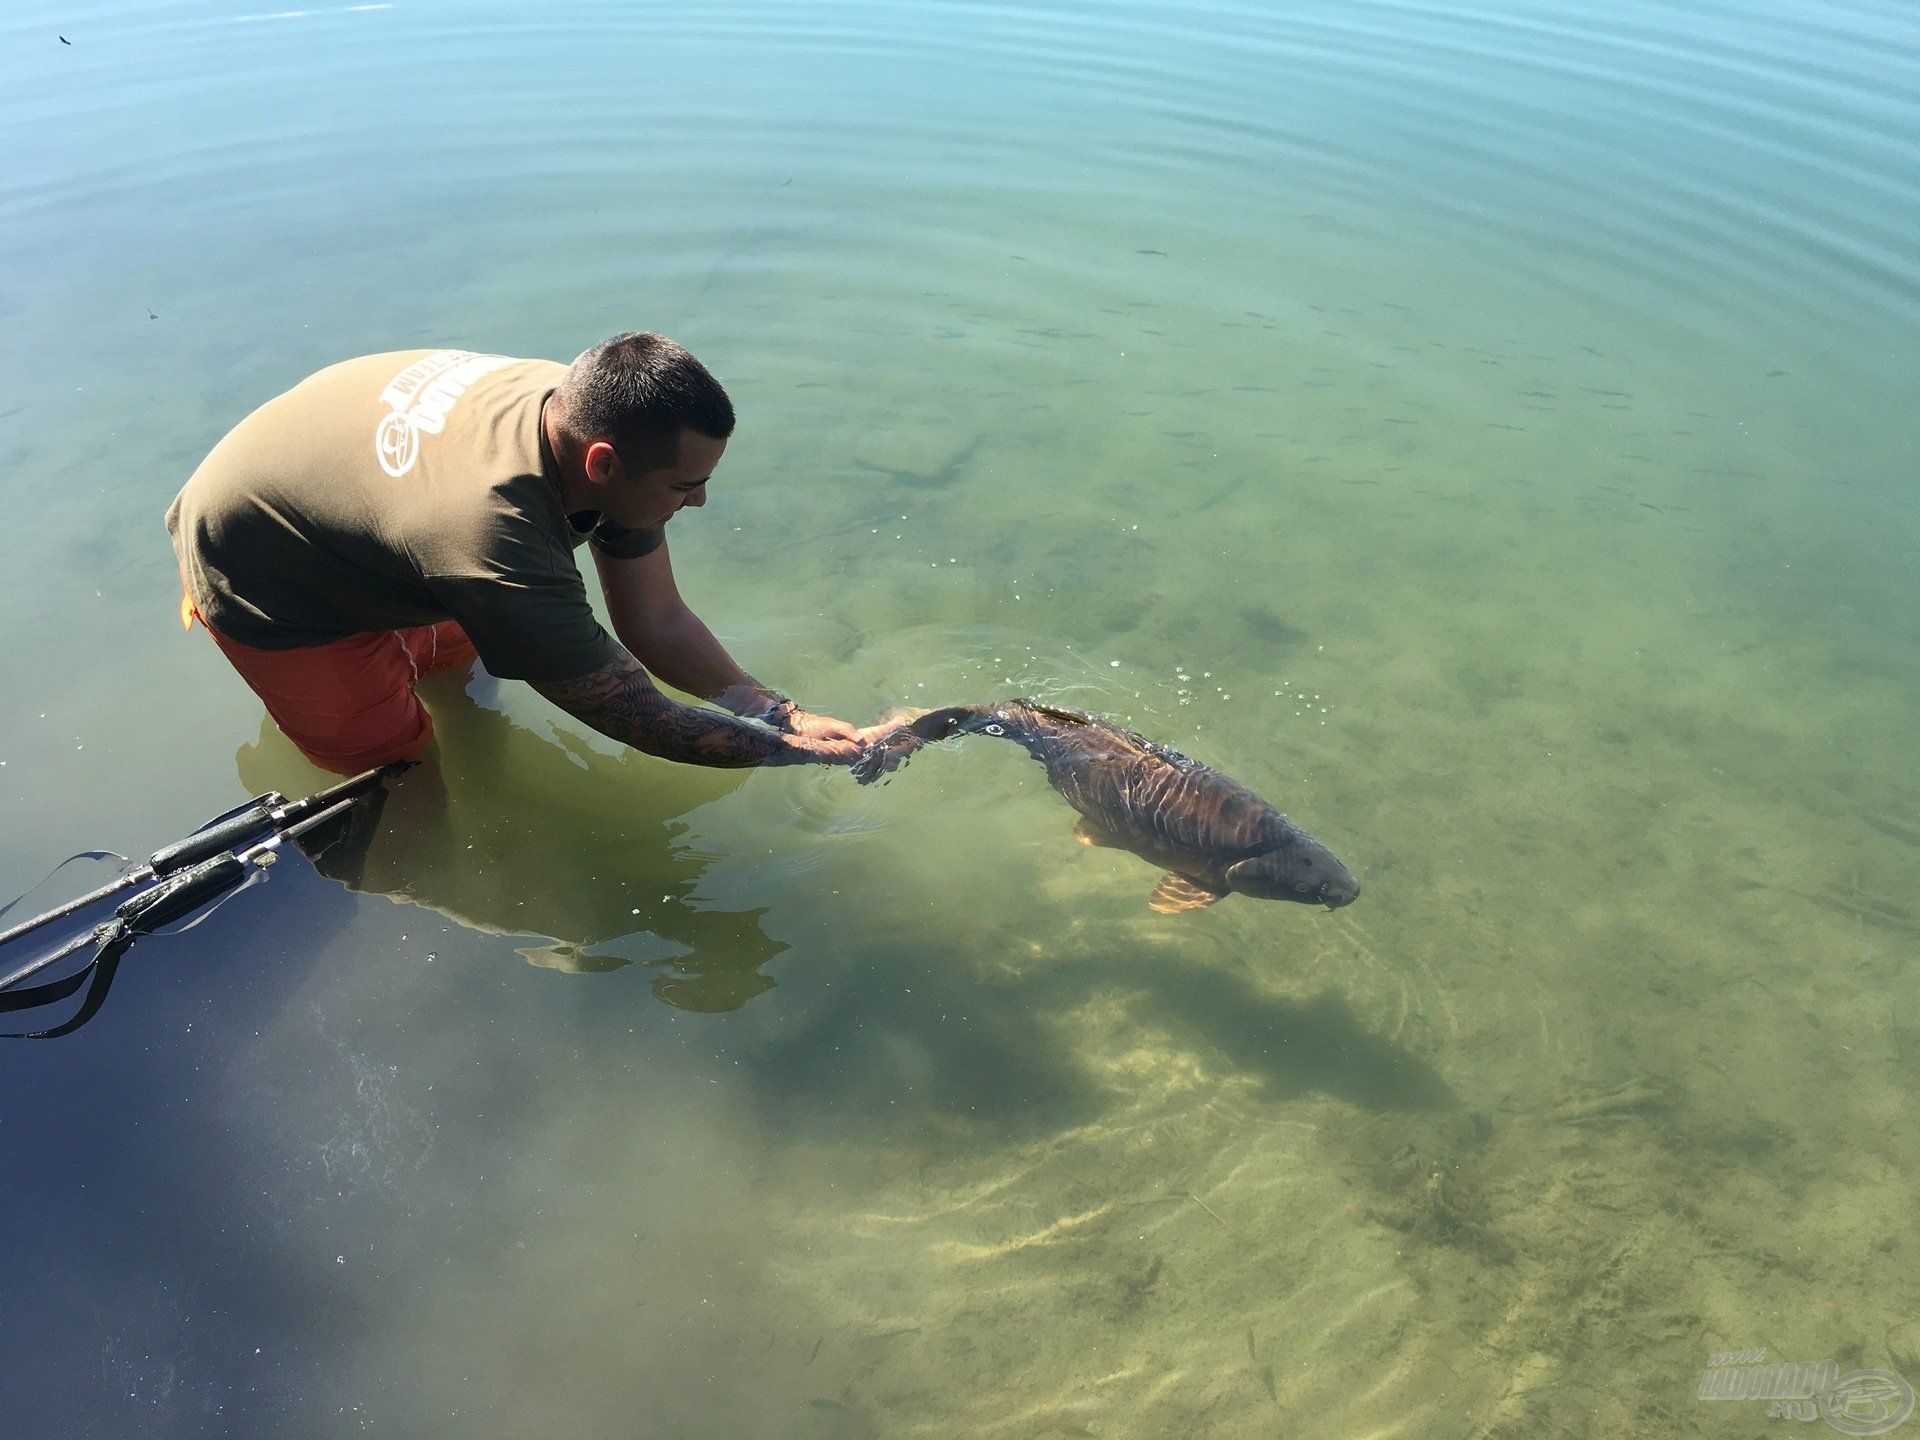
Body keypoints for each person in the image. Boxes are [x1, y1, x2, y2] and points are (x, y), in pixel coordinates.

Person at [167, 333, 881, 774]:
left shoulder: (585, 409)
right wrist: (800, 754)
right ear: (601, 464)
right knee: (394, 768)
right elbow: (638, 717)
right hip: (264, 569)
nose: (699, 503)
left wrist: (772, 712)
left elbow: (655, 621)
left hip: (377, 512)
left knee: (458, 672)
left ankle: (420, 664)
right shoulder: (490, 539)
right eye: (687, 486)